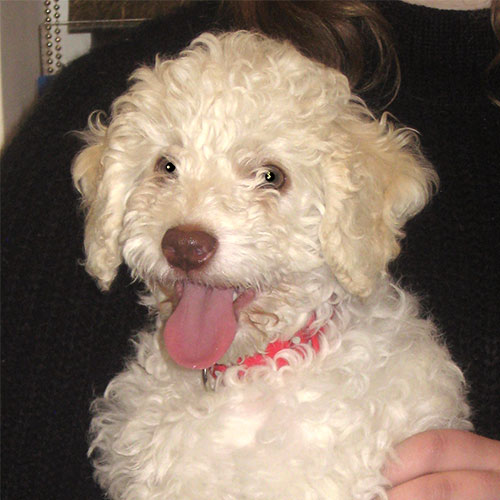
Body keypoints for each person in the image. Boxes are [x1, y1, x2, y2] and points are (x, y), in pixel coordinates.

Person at [2, 2, 499, 499]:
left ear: (353, 200)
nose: (188, 228)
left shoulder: (398, 399)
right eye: (167, 168)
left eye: (269, 177)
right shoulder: (146, 422)